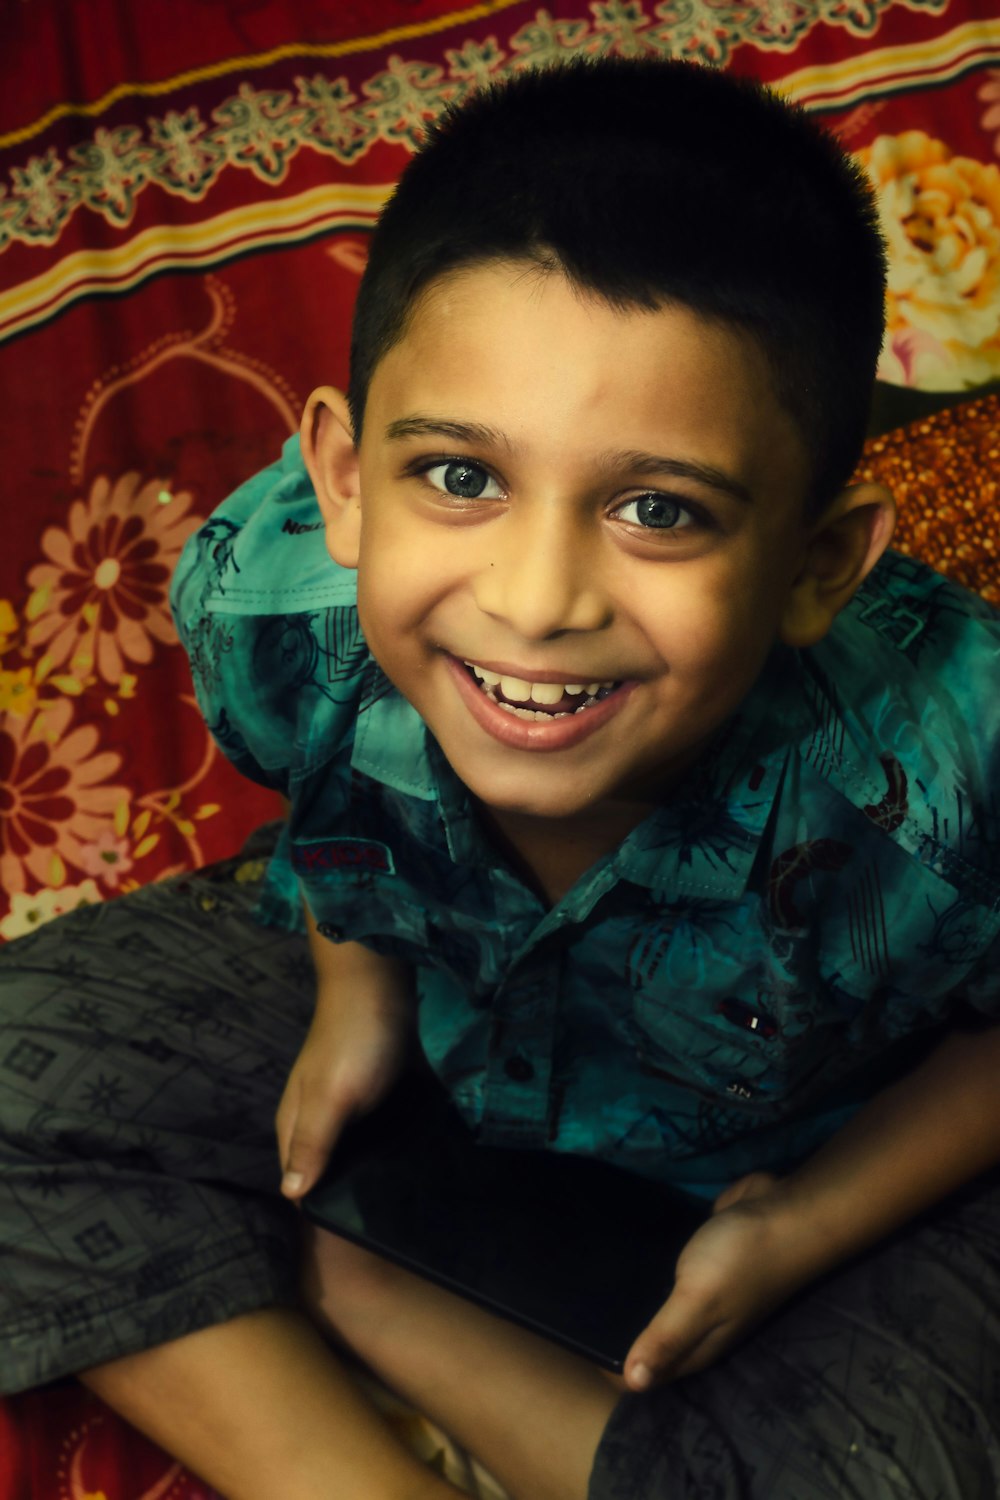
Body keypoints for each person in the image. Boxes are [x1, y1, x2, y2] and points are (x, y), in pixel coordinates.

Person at [1, 55, 998, 1500]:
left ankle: (359, 1282)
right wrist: (356, 983)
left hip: (818, 1116)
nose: (535, 602)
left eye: (658, 511)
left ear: (817, 566)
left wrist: (807, 1225)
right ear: (343, 482)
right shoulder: (266, 606)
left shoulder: (949, 777)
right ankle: (362, 1329)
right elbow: (320, 797)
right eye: (461, 478)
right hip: (441, 974)